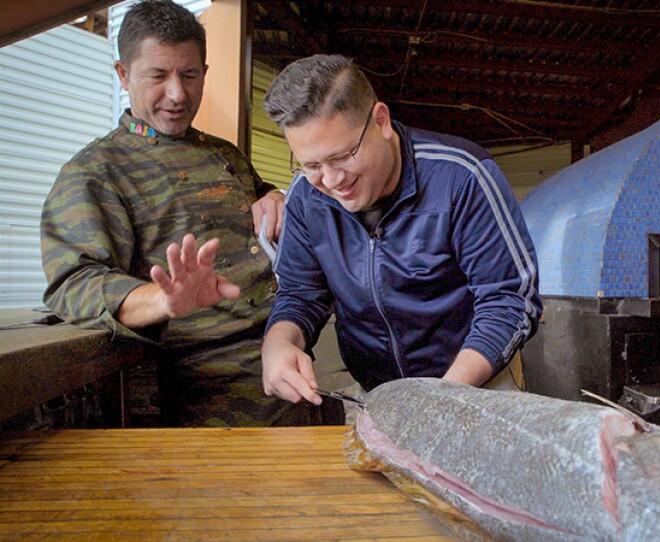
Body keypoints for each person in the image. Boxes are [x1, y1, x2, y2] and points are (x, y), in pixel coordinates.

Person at [40, 0, 324, 427]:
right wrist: (163, 298)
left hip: (290, 361)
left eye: (189, 76)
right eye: (157, 76)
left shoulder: (224, 154)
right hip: (205, 398)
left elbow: (268, 206)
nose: (177, 94)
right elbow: (73, 285)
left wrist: (277, 195)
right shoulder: (94, 173)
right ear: (123, 74)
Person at [260, 54, 542, 411]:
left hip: (477, 386)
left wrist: (445, 395)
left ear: (381, 121)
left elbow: (509, 300)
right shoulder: (305, 197)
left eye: (343, 156)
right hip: (374, 395)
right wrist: (277, 344)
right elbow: (301, 294)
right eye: (312, 165)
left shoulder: (461, 178)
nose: (331, 181)